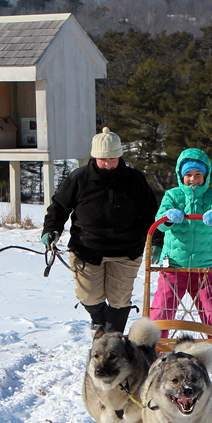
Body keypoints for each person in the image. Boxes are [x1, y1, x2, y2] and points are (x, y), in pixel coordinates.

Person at [42, 127, 159, 333]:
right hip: (87, 249)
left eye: (113, 159)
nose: (108, 164)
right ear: (94, 157)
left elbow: (151, 213)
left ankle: (112, 340)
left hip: (126, 250)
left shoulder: (134, 179)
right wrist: (51, 230)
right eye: (103, 159)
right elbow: (59, 207)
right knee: (89, 297)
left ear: (120, 157)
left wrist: (157, 241)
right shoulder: (79, 179)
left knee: (120, 300)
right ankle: (99, 317)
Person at [150, 148, 212, 367]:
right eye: (189, 175)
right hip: (174, 266)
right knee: (161, 309)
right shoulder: (173, 195)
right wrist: (169, 216)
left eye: (198, 175)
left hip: (202, 268)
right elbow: (160, 222)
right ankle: (150, 350)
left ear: (206, 176)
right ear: (181, 176)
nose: (193, 179)